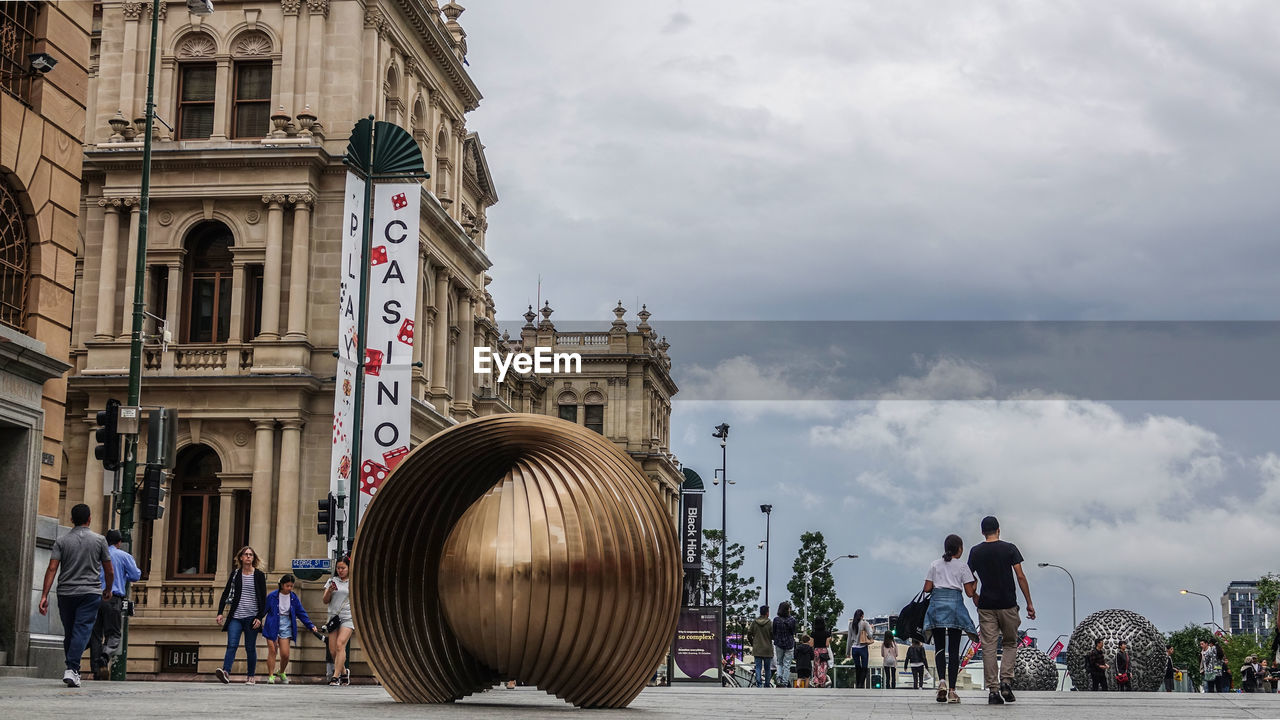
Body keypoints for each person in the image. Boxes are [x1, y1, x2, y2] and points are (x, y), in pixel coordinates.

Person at [38, 504, 113, 688]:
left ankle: (74, 670)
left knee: (71, 632)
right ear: (89, 519)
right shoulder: (100, 540)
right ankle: (72, 669)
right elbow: (108, 570)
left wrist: (44, 595)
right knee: (80, 630)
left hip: (66, 593)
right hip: (89, 592)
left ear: (71, 520)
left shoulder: (61, 541)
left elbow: (52, 568)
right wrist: (108, 589)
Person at [967, 515, 1034, 705]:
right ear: (998, 529)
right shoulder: (1010, 548)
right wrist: (1029, 602)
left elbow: (967, 577)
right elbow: (1020, 576)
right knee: (1010, 643)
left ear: (982, 532)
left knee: (988, 646)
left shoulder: (975, 552)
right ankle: (1006, 681)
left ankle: (993, 691)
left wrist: (974, 595)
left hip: (986, 606)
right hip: (1008, 604)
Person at [923, 534, 977, 704]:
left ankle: (941, 683)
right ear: (959, 549)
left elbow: (927, 588)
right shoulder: (962, 567)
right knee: (954, 650)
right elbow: (969, 592)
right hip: (955, 608)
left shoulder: (934, 564)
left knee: (939, 647)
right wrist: (975, 584)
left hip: (937, 607)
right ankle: (952, 691)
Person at [89, 529, 140, 680]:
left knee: (96, 634)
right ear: (119, 543)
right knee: (114, 633)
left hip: (95, 596)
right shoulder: (124, 556)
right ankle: (105, 655)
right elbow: (135, 575)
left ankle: (96, 669)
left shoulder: (97, 555)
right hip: (113, 598)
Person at [214, 545, 267, 684]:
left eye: (251, 555)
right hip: (235, 617)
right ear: (241, 558)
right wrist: (220, 613)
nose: (248, 556)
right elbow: (226, 594)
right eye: (246, 554)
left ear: (253, 558)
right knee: (232, 645)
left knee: (250, 647)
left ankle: (251, 676)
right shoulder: (235, 574)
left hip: (252, 618)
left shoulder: (259, 575)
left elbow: (263, 598)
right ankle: (226, 672)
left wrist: (259, 618)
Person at [262, 574, 317, 684]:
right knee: (272, 650)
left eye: (291, 586)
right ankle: (271, 675)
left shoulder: (293, 597)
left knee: (285, 654)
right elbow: (263, 610)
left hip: (286, 624)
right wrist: (257, 620)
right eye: (287, 586)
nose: (289, 588)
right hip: (272, 624)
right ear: (282, 585)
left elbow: (301, 612)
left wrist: (310, 625)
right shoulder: (272, 596)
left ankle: (281, 671)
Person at [323, 556, 356, 686]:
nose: (340, 570)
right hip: (333, 617)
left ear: (348, 568)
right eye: (338, 568)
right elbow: (325, 600)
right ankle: (343, 672)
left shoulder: (353, 582)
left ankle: (335, 677)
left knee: (340, 644)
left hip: (348, 617)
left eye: (343, 568)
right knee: (332, 650)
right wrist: (329, 591)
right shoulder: (332, 580)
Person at [772, 601, 798, 688]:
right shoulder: (792, 620)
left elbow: (774, 632)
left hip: (779, 643)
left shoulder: (776, 620)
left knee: (779, 662)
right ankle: (785, 681)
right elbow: (793, 632)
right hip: (789, 644)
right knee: (787, 664)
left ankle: (778, 678)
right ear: (788, 609)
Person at [846, 609, 874, 689]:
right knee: (864, 667)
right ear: (862, 616)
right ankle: (861, 684)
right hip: (863, 648)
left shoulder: (851, 624)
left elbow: (849, 639)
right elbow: (870, 635)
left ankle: (857, 684)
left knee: (857, 667)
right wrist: (872, 628)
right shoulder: (864, 623)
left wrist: (848, 652)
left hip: (854, 649)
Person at [748, 604, 774, 687]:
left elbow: (749, 634)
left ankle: (759, 684)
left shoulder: (754, 622)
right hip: (767, 649)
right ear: (767, 613)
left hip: (757, 648)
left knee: (758, 668)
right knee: (767, 669)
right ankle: (767, 684)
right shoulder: (770, 623)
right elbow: (773, 635)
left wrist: (753, 643)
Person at [811, 616, 833, 688]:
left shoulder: (813, 633)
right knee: (823, 667)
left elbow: (811, 644)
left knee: (816, 667)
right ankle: (822, 682)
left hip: (816, 651)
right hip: (823, 651)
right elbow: (827, 644)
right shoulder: (827, 633)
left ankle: (817, 682)